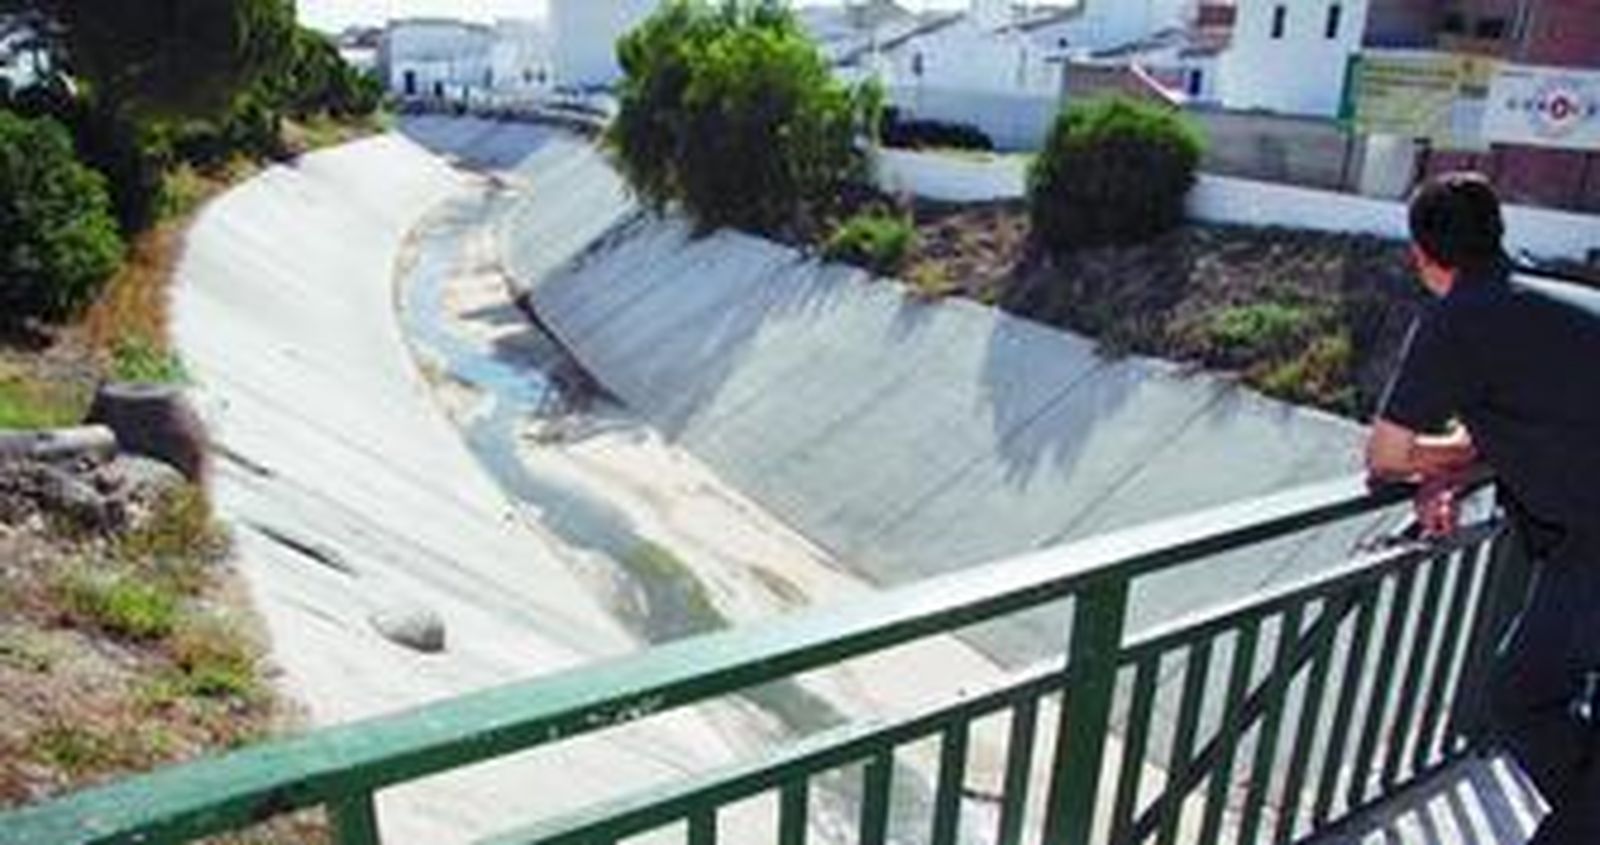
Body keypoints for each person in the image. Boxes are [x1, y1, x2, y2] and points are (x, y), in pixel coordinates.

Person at [1365, 171, 1600, 844]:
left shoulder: (1458, 317)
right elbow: (1529, 422)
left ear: (1421, 255)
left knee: (1521, 696)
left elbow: (1385, 453)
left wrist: (1432, 466)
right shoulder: (1554, 296)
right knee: (1530, 695)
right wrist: (1457, 467)